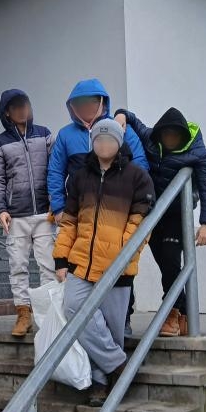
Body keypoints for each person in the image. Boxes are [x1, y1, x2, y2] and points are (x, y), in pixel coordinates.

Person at [54, 118, 155, 407]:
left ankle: (100, 383)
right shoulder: (80, 177)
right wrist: (61, 258)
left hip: (117, 267)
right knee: (74, 307)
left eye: (110, 139)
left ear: (119, 143)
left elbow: (140, 224)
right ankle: (119, 365)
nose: (104, 144)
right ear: (92, 143)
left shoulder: (137, 177)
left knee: (111, 327)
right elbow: (69, 222)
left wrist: (123, 257)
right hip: (82, 264)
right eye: (98, 139)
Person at [47, 78, 149, 336]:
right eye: (80, 103)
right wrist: (59, 207)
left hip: (118, 213)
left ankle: (123, 319)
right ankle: (108, 348)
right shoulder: (66, 135)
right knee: (79, 291)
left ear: (102, 102)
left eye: (91, 102)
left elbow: (140, 166)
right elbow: (55, 171)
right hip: (83, 213)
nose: (86, 107)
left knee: (119, 276)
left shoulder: (123, 129)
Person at [114, 106, 206, 337]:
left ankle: (171, 312)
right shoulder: (152, 140)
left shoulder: (197, 153)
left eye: (175, 135)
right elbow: (134, 121)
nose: (170, 139)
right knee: (164, 263)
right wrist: (121, 115)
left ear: (183, 136)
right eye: (166, 134)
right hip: (153, 214)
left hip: (177, 214)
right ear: (160, 134)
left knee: (171, 261)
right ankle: (185, 311)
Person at [0, 89, 56, 337]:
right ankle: (23, 314)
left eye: (24, 105)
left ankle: (50, 315)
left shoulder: (44, 134)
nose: (21, 110)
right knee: (17, 265)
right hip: (16, 215)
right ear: (6, 112)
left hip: (44, 214)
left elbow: (55, 170)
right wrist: (1, 209)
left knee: (48, 266)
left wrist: (56, 201)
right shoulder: (0, 143)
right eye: (15, 106)